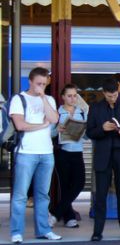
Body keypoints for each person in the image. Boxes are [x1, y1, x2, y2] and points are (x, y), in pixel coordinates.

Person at [9, 67, 61, 244]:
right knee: (21, 195)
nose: (41, 87)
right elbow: (20, 125)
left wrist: (43, 98)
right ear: (30, 81)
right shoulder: (18, 99)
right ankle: (17, 231)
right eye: (38, 84)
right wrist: (40, 125)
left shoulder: (49, 99)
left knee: (43, 195)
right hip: (26, 152)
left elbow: (54, 120)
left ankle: (43, 230)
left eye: (44, 84)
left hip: (46, 153)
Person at [87, 77, 120, 242]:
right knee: (101, 195)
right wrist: (102, 129)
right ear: (104, 93)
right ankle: (97, 232)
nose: (113, 98)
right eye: (110, 96)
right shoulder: (95, 108)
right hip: (103, 155)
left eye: (115, 94)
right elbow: (90, 132)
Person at [50, 84, 87, 229]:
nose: (73, 98)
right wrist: (57, 130)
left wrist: (83, 132)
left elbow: (88, 134)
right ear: (63, 97)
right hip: (62, 152)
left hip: (77, 152)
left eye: (75, 95)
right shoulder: (57, 113)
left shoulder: (82, 112)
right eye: (70, 96)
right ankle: (69, 218)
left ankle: (55, 213)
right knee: (65, 186)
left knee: (79, 183)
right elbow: (49, 134)